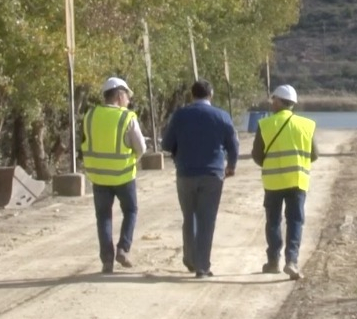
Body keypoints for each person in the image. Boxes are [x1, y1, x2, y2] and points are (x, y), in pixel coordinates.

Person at [161, 79, 239, 278]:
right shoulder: (222, 116)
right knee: (207, 219)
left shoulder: (180, 115)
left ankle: (190, 258)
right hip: (213, 174)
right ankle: (203, 267)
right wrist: (231, 165)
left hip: (186, 173)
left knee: (190, 217)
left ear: (192, 94)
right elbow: (233, 144)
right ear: (210, 94)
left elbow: (167, 144)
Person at [252, 84, 318, 280]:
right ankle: (292, 261)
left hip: (273, 182)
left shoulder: (265, 125)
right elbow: (314, 154)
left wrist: (271, 163)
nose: (272, 103)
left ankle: (273, 261)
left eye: (274, 100)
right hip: (297, 181)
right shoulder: (307, 125)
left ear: (280, 102)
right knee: (295, 220)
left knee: (273, 221)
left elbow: (257, 155)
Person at [81, 77, 147, 274]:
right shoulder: (127, 117)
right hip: (123, 175)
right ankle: (123, 248)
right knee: (131, 210)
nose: (128, 100)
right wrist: (133, 159)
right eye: (127, 96)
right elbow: (141, 147)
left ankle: (107, 260)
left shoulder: (90, 115)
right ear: (119, 95)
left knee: (103, 217)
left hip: (98, 176)